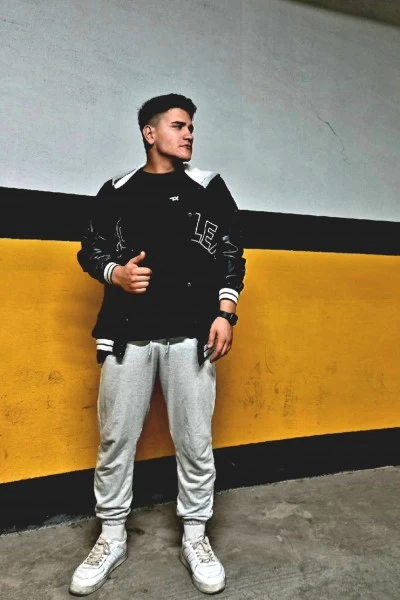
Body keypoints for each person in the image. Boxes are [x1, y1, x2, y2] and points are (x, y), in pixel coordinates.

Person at [70, 93, 246, 596]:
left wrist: (225, 312)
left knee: (194, 441)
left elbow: (232, 252)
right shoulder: (117, 190)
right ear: (150, 133)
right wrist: (116, 274)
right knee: (116, 438)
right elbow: (90, 249)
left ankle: (195, 536)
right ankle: (111, 536)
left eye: (191, 127)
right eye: (178, 125)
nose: (189, 134)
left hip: (191, 335)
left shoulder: (208, 187)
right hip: (127, 334)